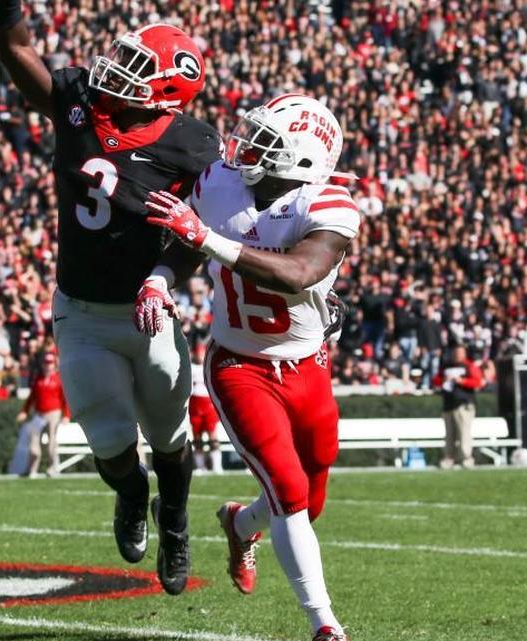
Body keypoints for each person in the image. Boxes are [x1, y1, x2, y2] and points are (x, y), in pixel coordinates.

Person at [0, 1, 222, 594]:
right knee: (112, 445)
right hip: (84, 311)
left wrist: (164, 277)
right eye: (125, 55)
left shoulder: (194, 146)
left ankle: (174, 522)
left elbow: (200, 235)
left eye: (136, 65)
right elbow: (17, 50)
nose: (116, 67)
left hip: (149, 310)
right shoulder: (76, 103)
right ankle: (130, 495)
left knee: (172, 440)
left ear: (167, 92)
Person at [137, 94, 361, 641]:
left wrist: (208, 238)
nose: (247, 146)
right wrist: (161, 277)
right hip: (240, 365)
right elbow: (187, 243)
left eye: (269, 143)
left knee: (312, 497)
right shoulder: (219, 183)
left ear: (304, 161)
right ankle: (324, 624)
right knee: (288, 490)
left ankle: (240, 524)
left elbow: (300, 272)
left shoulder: (329, 204)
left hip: (308, 367)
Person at [15, 352, 67, 477]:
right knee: (34, 441)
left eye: (50, 363)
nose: (47, 366)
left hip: (54, 413)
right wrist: (24, 411)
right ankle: (32, 469)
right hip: (39, 414)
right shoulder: (39, 379)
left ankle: (52, 468)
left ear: (54, 365)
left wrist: (66, 415)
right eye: (46, 363)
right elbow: (32, 398)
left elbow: (65, 399)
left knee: (51, 443)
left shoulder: (59, 379)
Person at [435, 344, 485, 470]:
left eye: (460, 353)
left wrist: (462, 381)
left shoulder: (469, 366)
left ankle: (466, 458)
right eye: (455, 352)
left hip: (464, 404)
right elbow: (435, 380)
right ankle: (449, 457)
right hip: (448, 404)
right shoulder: (446, 366)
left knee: (464, 434)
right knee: (449, 435)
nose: (457, 355)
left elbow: (478, 381)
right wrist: (443, 380)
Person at [188, 342, 221, 473]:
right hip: (195, 404)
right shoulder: (190, 368)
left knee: (212, 434)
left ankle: (217, 465)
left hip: (208, 403)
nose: (200, 355)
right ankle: (200, 466)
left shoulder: (208, 367)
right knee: (197, 436)